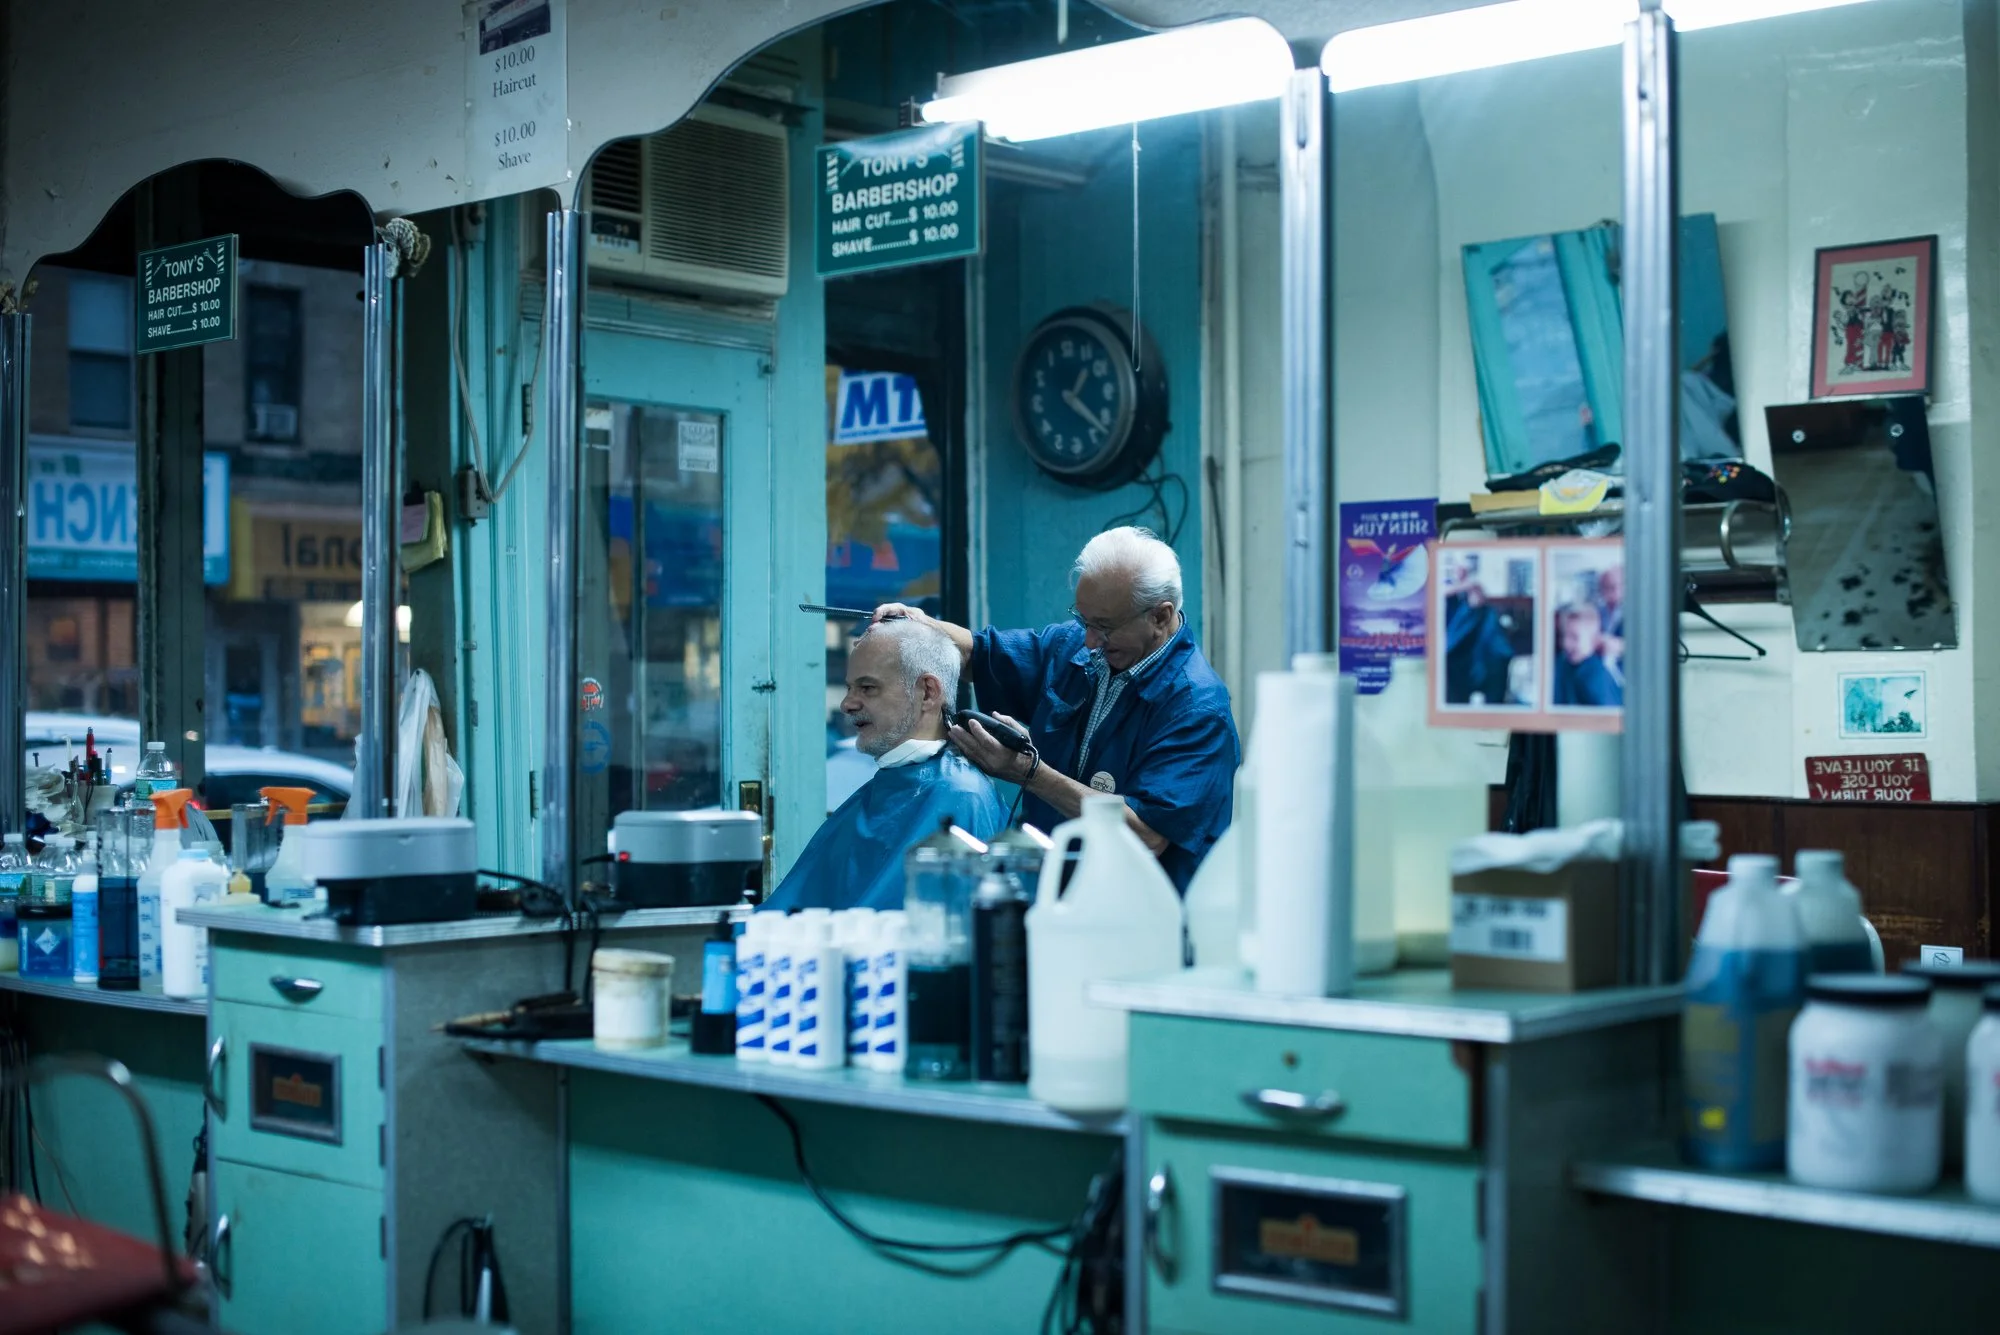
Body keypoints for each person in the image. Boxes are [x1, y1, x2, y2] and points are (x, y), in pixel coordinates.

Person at [874, 527, 1237, 893]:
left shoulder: (1197, 709)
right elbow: (979, 654)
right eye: (1084, 620)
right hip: (1053, 902)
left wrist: (1030, 774)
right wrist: (923, 628)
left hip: (1141, 923)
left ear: (1160, 616)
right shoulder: (1072, 648)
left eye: (1105, 627)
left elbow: (1145, 835)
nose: (1091, 640)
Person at [760, 619, 1005, 912]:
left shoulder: (961, 795)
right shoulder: (891, 783)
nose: (847, 704)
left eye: (867, 688)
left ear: (927, 692)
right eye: (850, 688)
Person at [1551, 604, 1621, 707]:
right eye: (1563, 635)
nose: (1566, 643)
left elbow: (1609, 718)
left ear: (1593, 640)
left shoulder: (1597, 677)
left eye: (1574, 637)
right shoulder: (1562, 665)